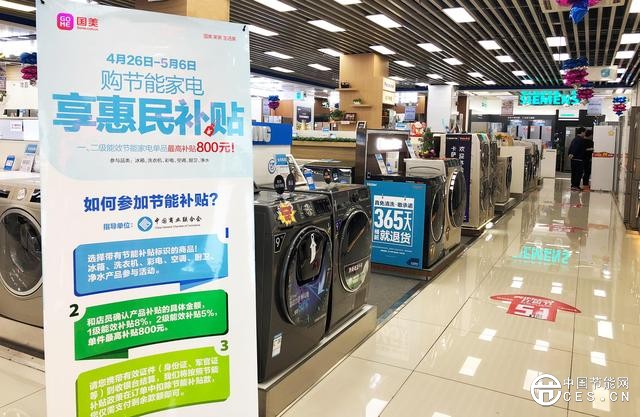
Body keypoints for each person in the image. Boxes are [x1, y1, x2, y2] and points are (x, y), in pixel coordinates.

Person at [568, 127, 587, 191]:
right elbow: (577, 148)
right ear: (582, 132)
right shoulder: (580, 139)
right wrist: (573, 154)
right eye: (584, 132)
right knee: (578, 173)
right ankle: (576, 186)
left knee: (574, 173)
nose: (585, 134)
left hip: (573, 159)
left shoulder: (575, 139)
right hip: (579, 159)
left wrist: (570, 154)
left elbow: (570, 147)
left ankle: (573, 185)